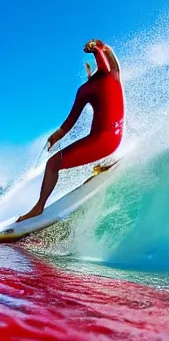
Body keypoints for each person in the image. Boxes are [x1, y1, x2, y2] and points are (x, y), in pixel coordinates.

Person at [17, 39, 124, 222]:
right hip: (116, 140)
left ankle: (38, 207)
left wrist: (96, 49)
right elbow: (106, 61)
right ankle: (106, 163)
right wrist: (98, 48)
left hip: (100, 142)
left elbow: (69, 124)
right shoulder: (114, 76)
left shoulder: (92, 85)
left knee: (52, 165)